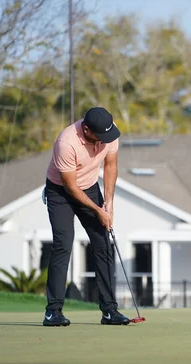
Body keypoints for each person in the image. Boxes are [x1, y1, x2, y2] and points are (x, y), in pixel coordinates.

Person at [42, 106, 129, 326]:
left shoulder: (109, 132)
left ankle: (109, 311)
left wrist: (108, 202)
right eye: (99, 137)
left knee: (102, 243)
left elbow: (110, 166)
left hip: (90, 186)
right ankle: (53, 312)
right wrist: (97, 210)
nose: (104, 141)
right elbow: (70, 187)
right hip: (60, 191)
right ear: (87, 130)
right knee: (63, 244)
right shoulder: (66, 143)